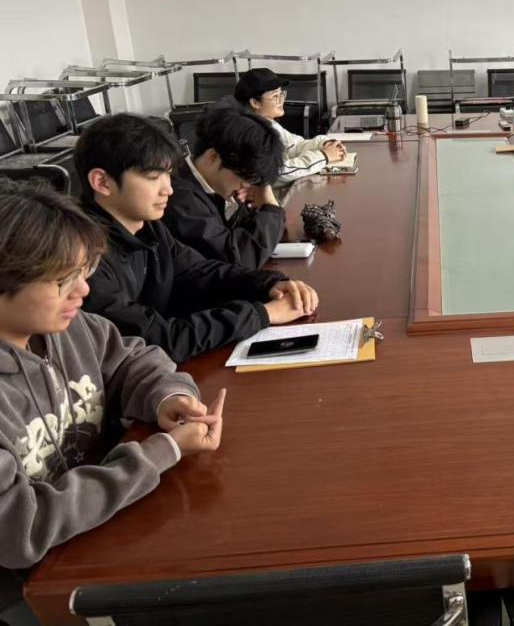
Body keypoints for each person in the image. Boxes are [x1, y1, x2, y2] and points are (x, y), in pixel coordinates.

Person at [0, 178, 226, 573]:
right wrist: (162, 452)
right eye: (62, 280)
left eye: (84, 271)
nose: (83, 290)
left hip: (106, 530)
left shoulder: (72, 328)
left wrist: (168, 397)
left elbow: (132, 361)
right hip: (37, 581)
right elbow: (21, 527)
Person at [74, 114, 318, 364]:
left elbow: (200, 272)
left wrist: (267, 284)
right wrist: (261, 314)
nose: (168, 189)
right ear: (102, 182)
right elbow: (155, 339)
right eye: (153, 177)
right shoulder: (81, 258)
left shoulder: (149, 228)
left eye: (168, 174)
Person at [163, 110, 286, 269]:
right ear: (213, 157)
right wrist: (270, 206)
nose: (247, 185)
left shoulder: (212, 188)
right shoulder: (180, 199)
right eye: (244, 177)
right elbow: (240, 259)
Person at [219, 67, 347, 185]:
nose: (281, 100)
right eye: (275, 96)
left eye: (281, 94)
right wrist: (324, 156)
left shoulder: (269, 123)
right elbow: (279, 172)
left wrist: (325, 144)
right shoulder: (250, 133)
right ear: (255, 102)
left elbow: (294, 146)